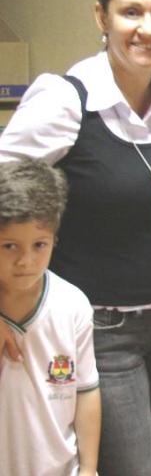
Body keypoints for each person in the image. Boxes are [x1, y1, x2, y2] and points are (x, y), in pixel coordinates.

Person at [0, 0, 151, 475]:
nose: (148, 28)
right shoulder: (66, 100)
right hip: (102, 330)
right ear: (101, 17)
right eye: (131, 12)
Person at [0, 158, 101, 476]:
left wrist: (88, 468)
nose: (25, 261)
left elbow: (86, 391)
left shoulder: (72, 306)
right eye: (9, 246)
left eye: (39, 245)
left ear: (55, 240)